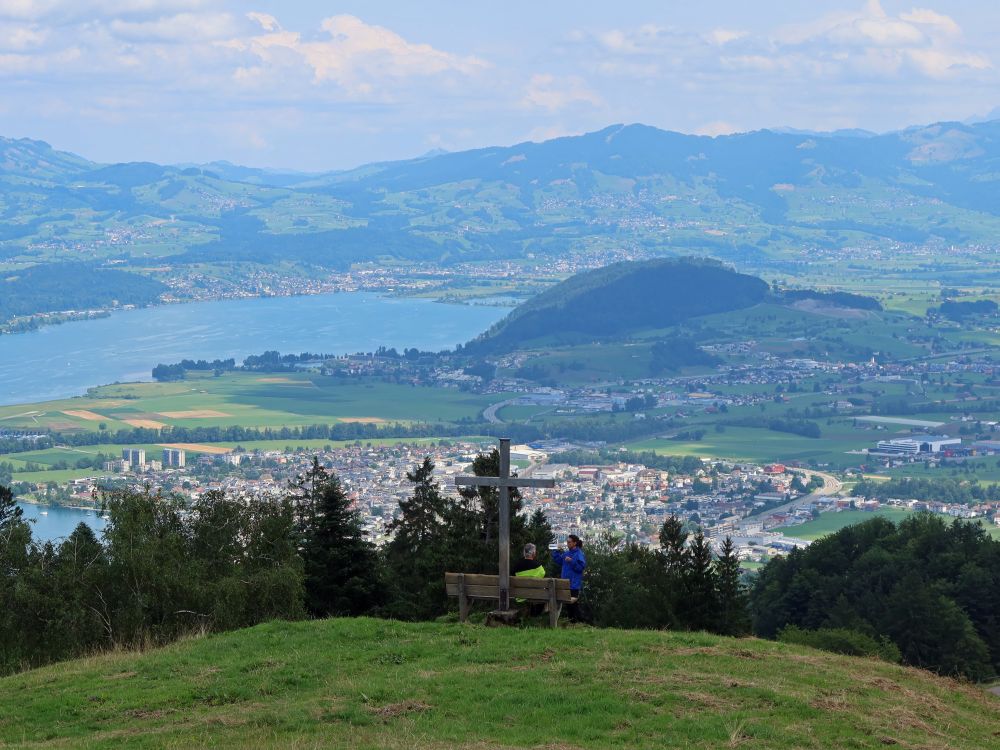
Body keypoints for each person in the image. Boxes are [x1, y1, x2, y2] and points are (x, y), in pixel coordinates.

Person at [551, 534, 586, 621]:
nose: (567, 544)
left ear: (575, 543)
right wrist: (557, 551)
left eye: (569, 542)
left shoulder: (579, 554)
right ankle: (574, 621)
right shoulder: (567, 553)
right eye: (567, 542)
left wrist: (571, 561)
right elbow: (558, 560)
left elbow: (581, 568)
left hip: (574, 584)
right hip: (565, 583)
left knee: (573, 604)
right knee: (569, 604)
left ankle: (576, 620)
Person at [512, 543, 546, 614]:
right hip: (535, 594)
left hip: (520, 595)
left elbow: (512, 575)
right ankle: (535, 615)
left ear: (524, 552)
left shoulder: (516, 565)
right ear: (533, 553)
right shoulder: (538, 567)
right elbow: (542, 575)